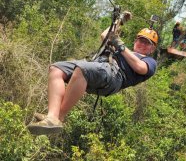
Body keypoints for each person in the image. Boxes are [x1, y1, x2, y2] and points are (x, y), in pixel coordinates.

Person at [27, 13, 159, 135]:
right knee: (56, 68)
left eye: (147, 43)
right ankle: (52, 115)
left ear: (152, 48)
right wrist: (120, 20)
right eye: (140, 40)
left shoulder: (149, 61)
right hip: (100, 66)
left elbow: (140, 67)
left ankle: (58, 117)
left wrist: (120, 46)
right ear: (136, 41)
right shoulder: (123, 50)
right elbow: (105, 35)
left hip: (114, 76)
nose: (142, 44)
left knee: (82, 69)